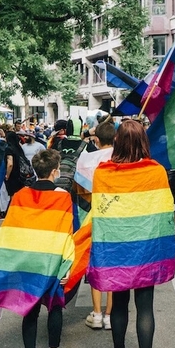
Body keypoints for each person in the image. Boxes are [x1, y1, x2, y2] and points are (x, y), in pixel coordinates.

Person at [87, 119, 175, 348]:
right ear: (143, 143)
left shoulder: (103, 173)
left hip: (116, 250)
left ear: (117, 142)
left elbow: (99, 213)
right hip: (146, 251)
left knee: (120, 304)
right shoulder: (156, 172)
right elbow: (165, 215)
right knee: (145, 308)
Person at [0, 149, 74, 348]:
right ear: (54, 171)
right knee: (54, 306)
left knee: (29, 308)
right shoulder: (63, 197)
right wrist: (66, 265)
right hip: (51, 261)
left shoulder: (20, 195)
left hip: (25, 261)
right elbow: (67, 233)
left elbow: (10, 231)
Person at [74, 121, 115, 330]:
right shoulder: (121, 159)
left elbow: (79, 190)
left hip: (92, 218)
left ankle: (97, 313)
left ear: (96, 139)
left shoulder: (85, 159)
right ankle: (110, 316)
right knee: (113, 265)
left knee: (96, 266)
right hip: (115, 219)